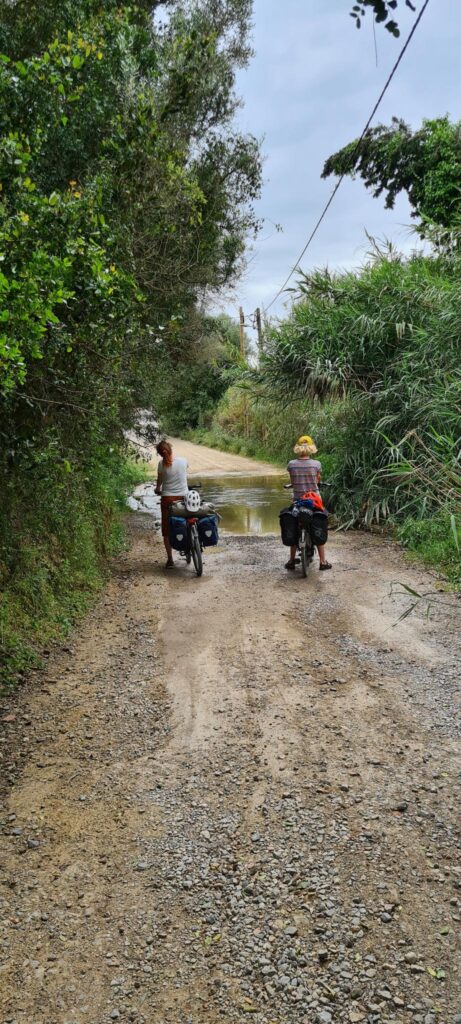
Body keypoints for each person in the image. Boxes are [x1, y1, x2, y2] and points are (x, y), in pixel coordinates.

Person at [286, 435, 332, 572]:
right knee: (318, 524)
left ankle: (291, 560)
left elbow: (293, 482)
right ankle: (323, 562)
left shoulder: (291, 464)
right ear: (311, 449)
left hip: (298, 501)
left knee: (294, 526)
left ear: (298, 449)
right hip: (314, 501)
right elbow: (317, 480)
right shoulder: (316, 464)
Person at [155, 440, 188, 568]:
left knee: (167, 530)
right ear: (171, 450)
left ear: (160, 454)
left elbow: (159, 483)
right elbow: (184, 474)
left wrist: (158, 489)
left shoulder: (161, 465)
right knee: (187, 519)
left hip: (168, 499)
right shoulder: (183, 461)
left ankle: (170, 560)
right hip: (184, 497)